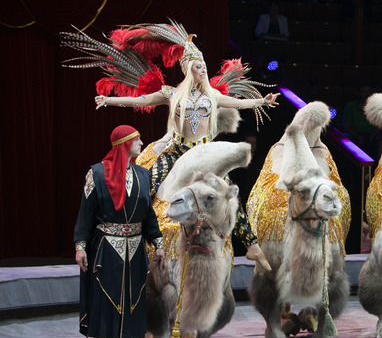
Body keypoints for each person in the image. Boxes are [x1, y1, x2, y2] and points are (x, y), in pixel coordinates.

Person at [76, 22, 277, 270]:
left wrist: (262, 101)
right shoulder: (171, 93)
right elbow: (141, 99)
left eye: (204, 65)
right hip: (178, 151)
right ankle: (126, 234)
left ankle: (252, 246)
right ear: (187, 68)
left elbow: (239, 104)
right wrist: (109, 100)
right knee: (146, 187)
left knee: (230, 193)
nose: (203, 69)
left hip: (204, 152)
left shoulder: (212, 95)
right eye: (198, 65)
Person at [74, 125, 163, 338]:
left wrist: (158, 242)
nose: (142, 143)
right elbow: (86, 213)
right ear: (124, 143)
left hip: (135, 248)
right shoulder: (98, 174)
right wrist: (80, 245)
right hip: (107, 247)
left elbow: (149, 215)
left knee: (133, 300)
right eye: (137, 140)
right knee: (105, 300)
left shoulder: (143, 175)